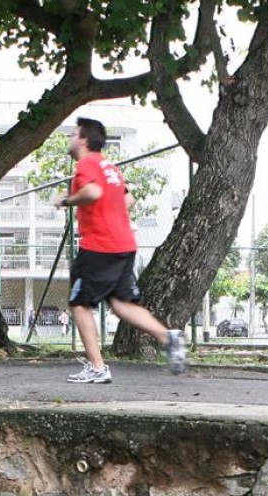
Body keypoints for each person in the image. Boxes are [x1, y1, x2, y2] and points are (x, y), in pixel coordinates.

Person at [53, 117, 186, 384]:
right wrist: (110, 215)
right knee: (121, 303)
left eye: (72, 134)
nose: (69, 139)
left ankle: (98, 367)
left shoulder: (87, 163)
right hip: (124, 243)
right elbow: (129, 198)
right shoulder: (110, 167)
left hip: (99, 246)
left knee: (80, 304)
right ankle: (167, 337)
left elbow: (91, 192)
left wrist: (66, 200)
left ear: (82, 139)